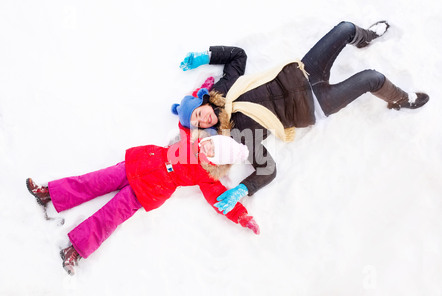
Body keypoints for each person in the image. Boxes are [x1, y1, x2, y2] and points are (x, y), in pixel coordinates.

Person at [173, 21, 430, 215]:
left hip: (303, 72)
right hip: (314, 104)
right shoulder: (237, 136)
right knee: (372, 78)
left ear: (203, 102)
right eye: (199, 124)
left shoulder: (223, 89)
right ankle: (400, 100)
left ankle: (365, 37)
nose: (203, 120)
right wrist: (243, 189)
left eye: (198, 113)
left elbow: (238, 55)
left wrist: (207, 55)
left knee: (345, 28)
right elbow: (267, 169)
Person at [26, 122, 259, 275]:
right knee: (92, 181)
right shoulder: (190, 139)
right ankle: (50, 194)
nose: (204, 147)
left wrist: (242, 215)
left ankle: (74, 250)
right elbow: (188, 114)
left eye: (210, 151)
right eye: (208, 143)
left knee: (111, 216)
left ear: (216, 162)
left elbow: (220, 198)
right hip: (137, 163)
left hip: (149, 190)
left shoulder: (208, 177)